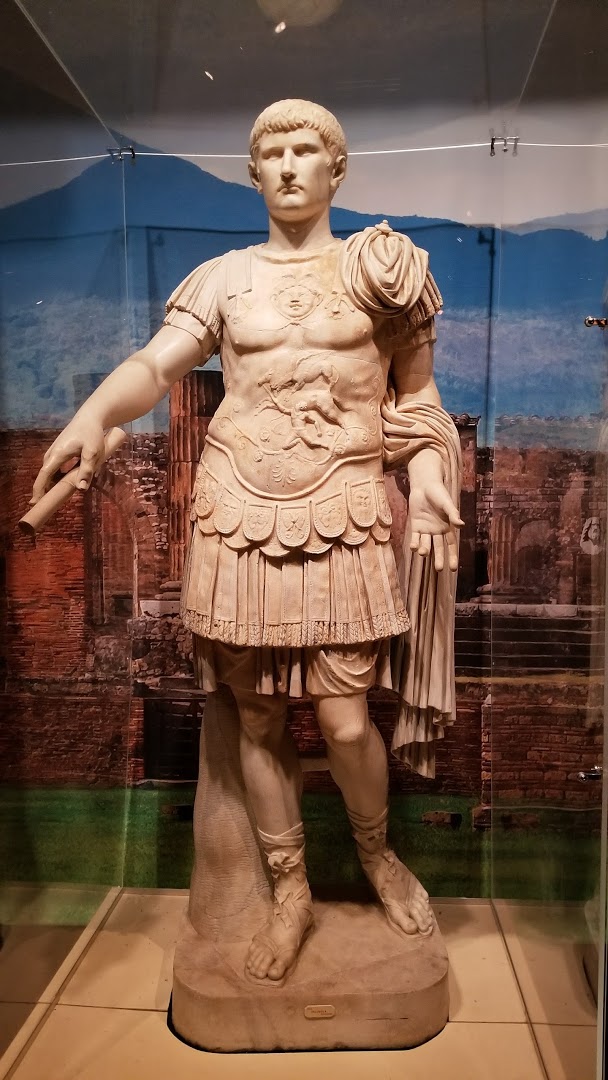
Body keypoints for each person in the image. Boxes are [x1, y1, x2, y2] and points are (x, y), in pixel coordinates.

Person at [31, 99, 462, 986]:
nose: (290, 165)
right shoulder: (223, 278)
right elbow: (157, 366)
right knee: (258, 717)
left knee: (345, 719)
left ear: (338, 169)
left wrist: (426, 475)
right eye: (274, 153)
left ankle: (376, 854)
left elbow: (417, 399)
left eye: (307, 150)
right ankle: (289, 886)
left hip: (344, 508)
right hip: (238, 513)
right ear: (254, 173)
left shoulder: (385, 271)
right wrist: (93, 415)